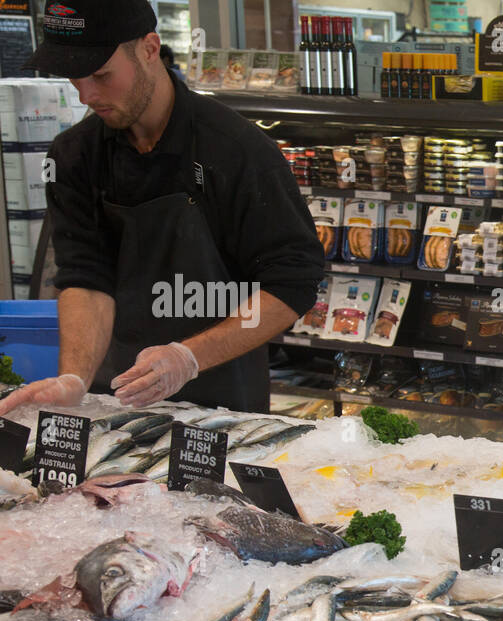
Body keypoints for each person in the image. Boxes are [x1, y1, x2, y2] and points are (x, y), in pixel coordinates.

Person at [0, 0, 323, 417]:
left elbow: (292, 283)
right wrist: (74, 379)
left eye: (101, 74)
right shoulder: (75, 154)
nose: (86, 94)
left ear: (150, 49)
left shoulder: (236, 150)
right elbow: (85, 277)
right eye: (74, 77)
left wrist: (186, 359)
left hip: (222, 404)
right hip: (114, 397)